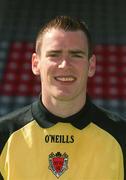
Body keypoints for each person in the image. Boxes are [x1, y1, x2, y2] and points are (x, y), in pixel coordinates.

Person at [0, 15, 125, 180]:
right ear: (35, 64)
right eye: (54, 54)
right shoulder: (4, 135)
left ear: (91, 65)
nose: (65, 64)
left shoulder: (121, 135)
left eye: (76, 55)